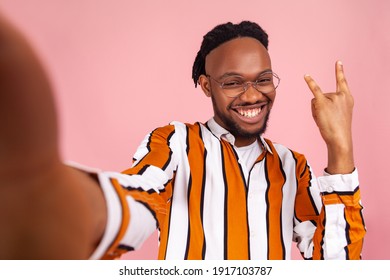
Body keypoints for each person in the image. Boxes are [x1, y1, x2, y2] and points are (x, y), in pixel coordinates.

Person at [0, 14, 365, 260]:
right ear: (206, 86)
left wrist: (340, 146)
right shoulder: (175, 143)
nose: (253, 95)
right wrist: (57, 206)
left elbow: (336, 265)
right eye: (233, 82)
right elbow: (138, 197)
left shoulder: (293, 166)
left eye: (263, 79)